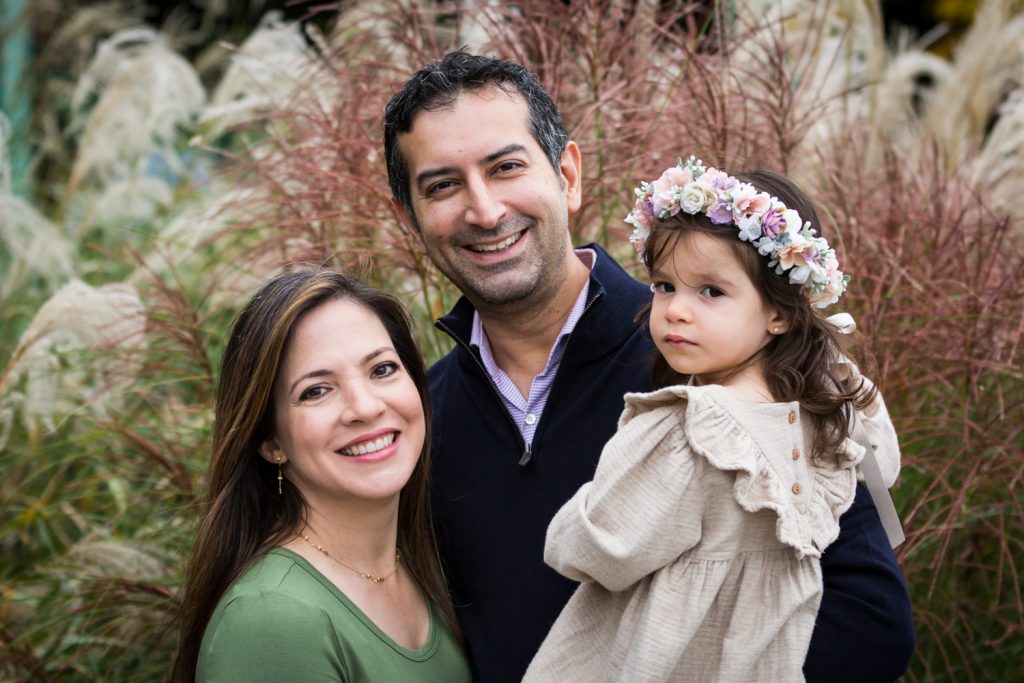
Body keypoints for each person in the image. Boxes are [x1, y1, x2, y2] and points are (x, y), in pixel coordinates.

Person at [383, 50, 915, 682]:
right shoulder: (415, 417)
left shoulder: (736, 368)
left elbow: (871, 626)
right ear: (409, 216)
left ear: (567, 176)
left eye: (506, 167)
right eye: (442, 185)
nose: (485, 210)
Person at [523, 157, 902, 681]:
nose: (676, 310)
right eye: (663, 286)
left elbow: (593, 550)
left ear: (781, 312)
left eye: (711, 292)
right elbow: (885, 467)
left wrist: (577, 511)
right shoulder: (834, 397)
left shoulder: (693, 430)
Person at [170, 268, 470, 682]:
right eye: (316, 390)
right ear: (271, 441)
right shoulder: (272, 620)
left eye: (382, 369)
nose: (364, 407)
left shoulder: (420, 563)